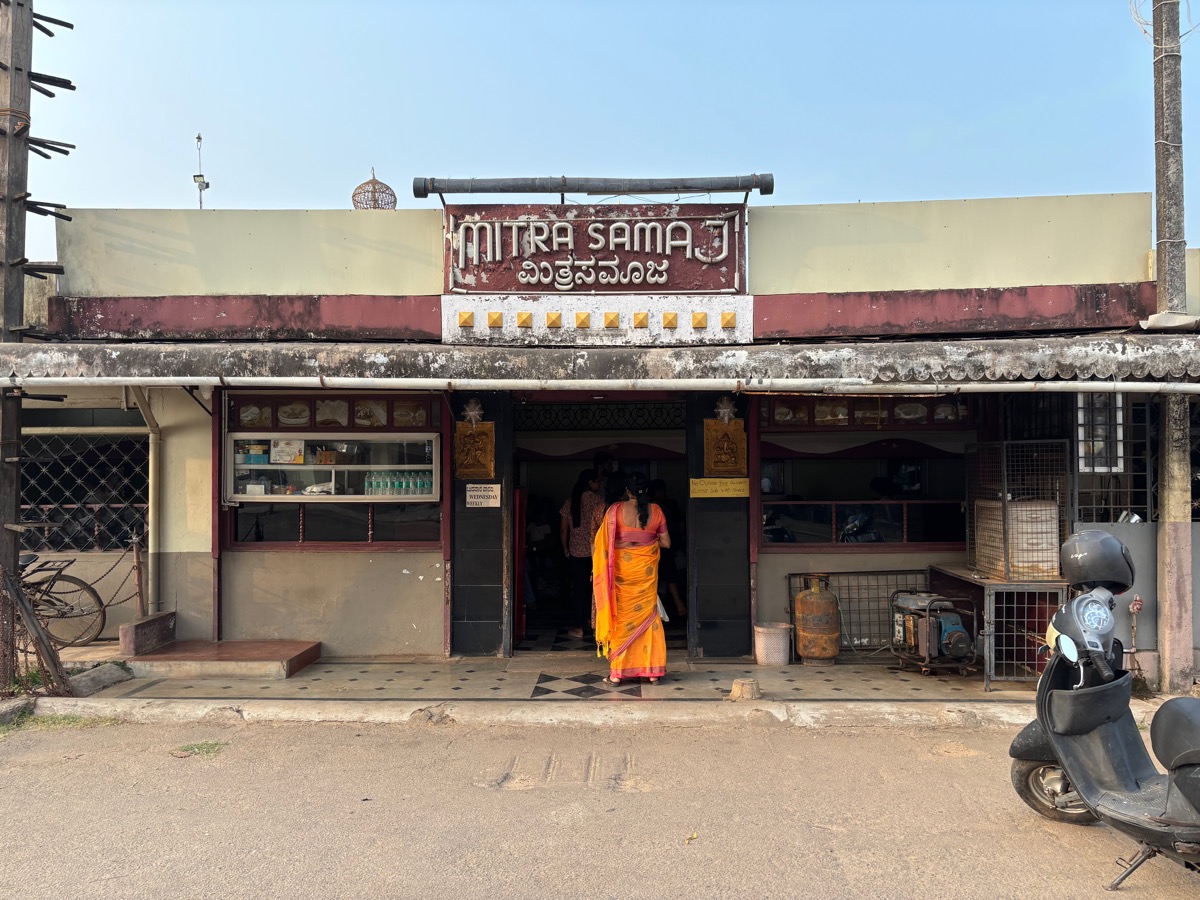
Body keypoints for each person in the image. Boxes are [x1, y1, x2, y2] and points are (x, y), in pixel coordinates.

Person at [592, 472, 671, 685]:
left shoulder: (615, 510)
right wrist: (647, 541)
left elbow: (603, 545)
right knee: (649, 618)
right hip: (645, 575)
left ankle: (617, 674)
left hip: (622, 575)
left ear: (627, 491)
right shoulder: (657, 511)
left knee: (622, 619)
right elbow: (666, 543)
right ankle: (652, 671)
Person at [560, 469, 604, 640]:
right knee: (596, 588)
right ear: (591, 483)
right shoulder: (599, 501)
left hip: (576, 553)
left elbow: (563, 529)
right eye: (597, 482)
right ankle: (593, 622)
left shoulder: (570, 502)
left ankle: (578, 627)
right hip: (596, 553)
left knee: (579, 590)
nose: (599, 485)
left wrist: (565, 548)